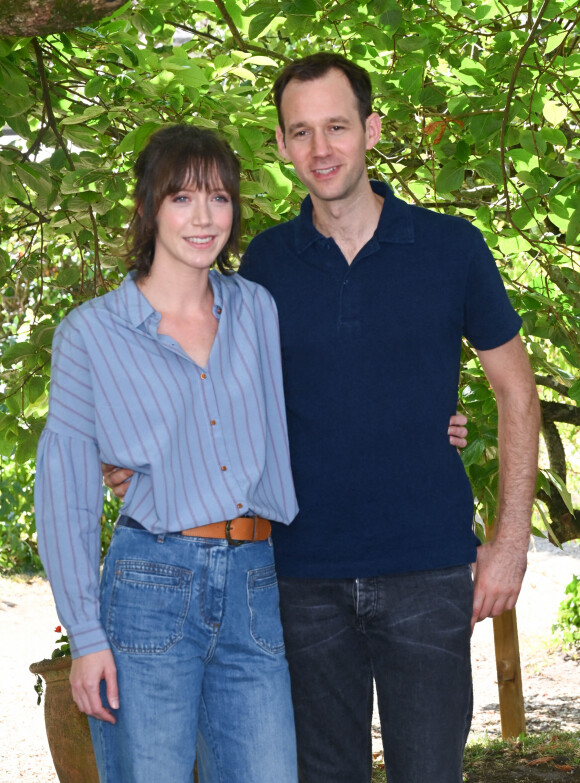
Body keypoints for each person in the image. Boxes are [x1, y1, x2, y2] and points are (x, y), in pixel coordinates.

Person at [104, 54, 540, 783]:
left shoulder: (451, 248)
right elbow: (219, 398)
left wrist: (510, 543)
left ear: (370, 129)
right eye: (301, 132)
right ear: (281, 146)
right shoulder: (264, 264)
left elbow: (517, 393)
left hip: (427, 571)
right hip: (299, 577)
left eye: (336, 126)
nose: (321, 149)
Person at [35, 125, 300, 783]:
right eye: (182, 197)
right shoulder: (91, 334)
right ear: (150, 206)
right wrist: (86, 637)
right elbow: (65, 493)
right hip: (151, 582)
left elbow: (297, 424)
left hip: (254, 579)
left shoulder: (257, 311)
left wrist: (429, 420)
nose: (204, 216)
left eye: (219, 197)